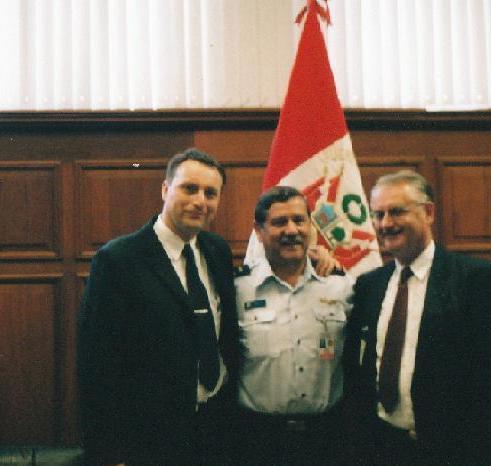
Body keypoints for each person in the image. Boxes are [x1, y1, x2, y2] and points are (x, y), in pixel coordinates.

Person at [344, 170, 491, 466]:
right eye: (378, 214)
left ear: (428, 213)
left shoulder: (476, 280)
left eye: (397, 211)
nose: (386, 224)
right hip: (383, 450)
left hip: (453, 454)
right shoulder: (369, 286)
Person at [77, 148, 239, 466]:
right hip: (148, 441)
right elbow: (96, 365)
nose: (200, 201)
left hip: (215, 432)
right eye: (189, 188)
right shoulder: (119, 260)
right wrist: (109, 453)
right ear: (165, 189)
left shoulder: (217, 251)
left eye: (210, 193)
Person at [234, 185, 354, 465]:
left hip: (327, 438)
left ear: (310, 225)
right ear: (259, 230)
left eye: (299, 220)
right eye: (279, 222)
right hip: (257, 440)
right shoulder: (237, 290)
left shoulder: (340, 287)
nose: (291, 230)